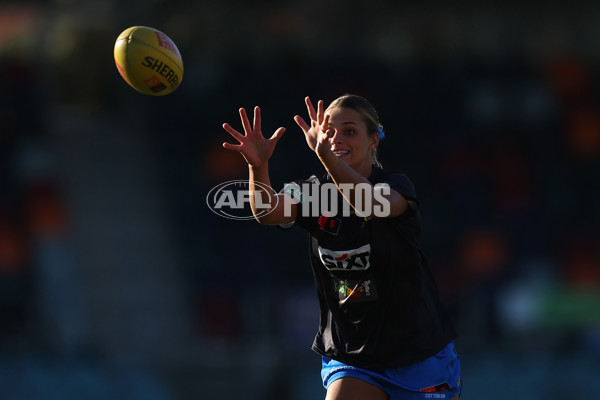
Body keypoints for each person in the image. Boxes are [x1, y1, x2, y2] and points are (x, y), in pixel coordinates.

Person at [222, 95, 461, 400]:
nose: (336, 139)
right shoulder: (311, 192)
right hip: (354, 354)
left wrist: (328, 158)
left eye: (349, 131)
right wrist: (259, 167)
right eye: (330, 131)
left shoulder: (395, 186)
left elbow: (367, 203)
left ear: (374, 140)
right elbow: (268, 212)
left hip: (419, 352)